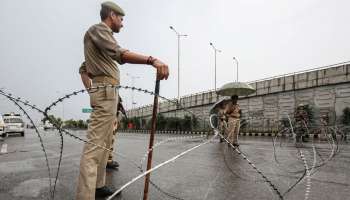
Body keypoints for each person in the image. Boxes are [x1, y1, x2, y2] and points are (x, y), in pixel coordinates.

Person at [77, 2, 169, 199]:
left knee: (104, 145)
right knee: (95, 146)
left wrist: (95, 91)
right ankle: (84, 195)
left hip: (108, 92)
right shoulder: (99, 30)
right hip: (105, 91)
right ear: (112, 15)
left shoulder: (99, 40)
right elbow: (121, 55)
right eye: (121, 18)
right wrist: (152, 60)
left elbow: (84, 68)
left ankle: (98, 185)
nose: (123, 23)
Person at [106, 95, 126, 169]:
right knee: (109, 139)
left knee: (110, 140)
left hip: (112, 115)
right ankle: (108, 160)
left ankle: (107, 159)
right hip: (109, 115)